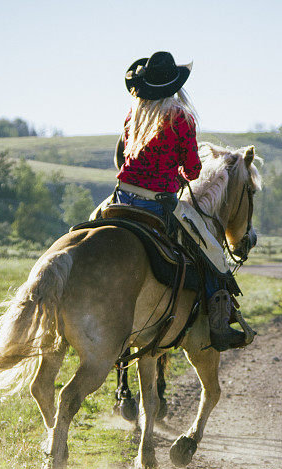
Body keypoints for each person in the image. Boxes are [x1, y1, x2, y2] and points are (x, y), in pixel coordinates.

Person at [116, 51, 246, 352]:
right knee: (212, 250)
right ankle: (219, 324)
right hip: (157, 201)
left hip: (121, 195)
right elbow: (193, 169)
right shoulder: (181, 117)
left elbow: (125, 155)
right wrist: (184, 172)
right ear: (174, 85)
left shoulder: (133, 114)